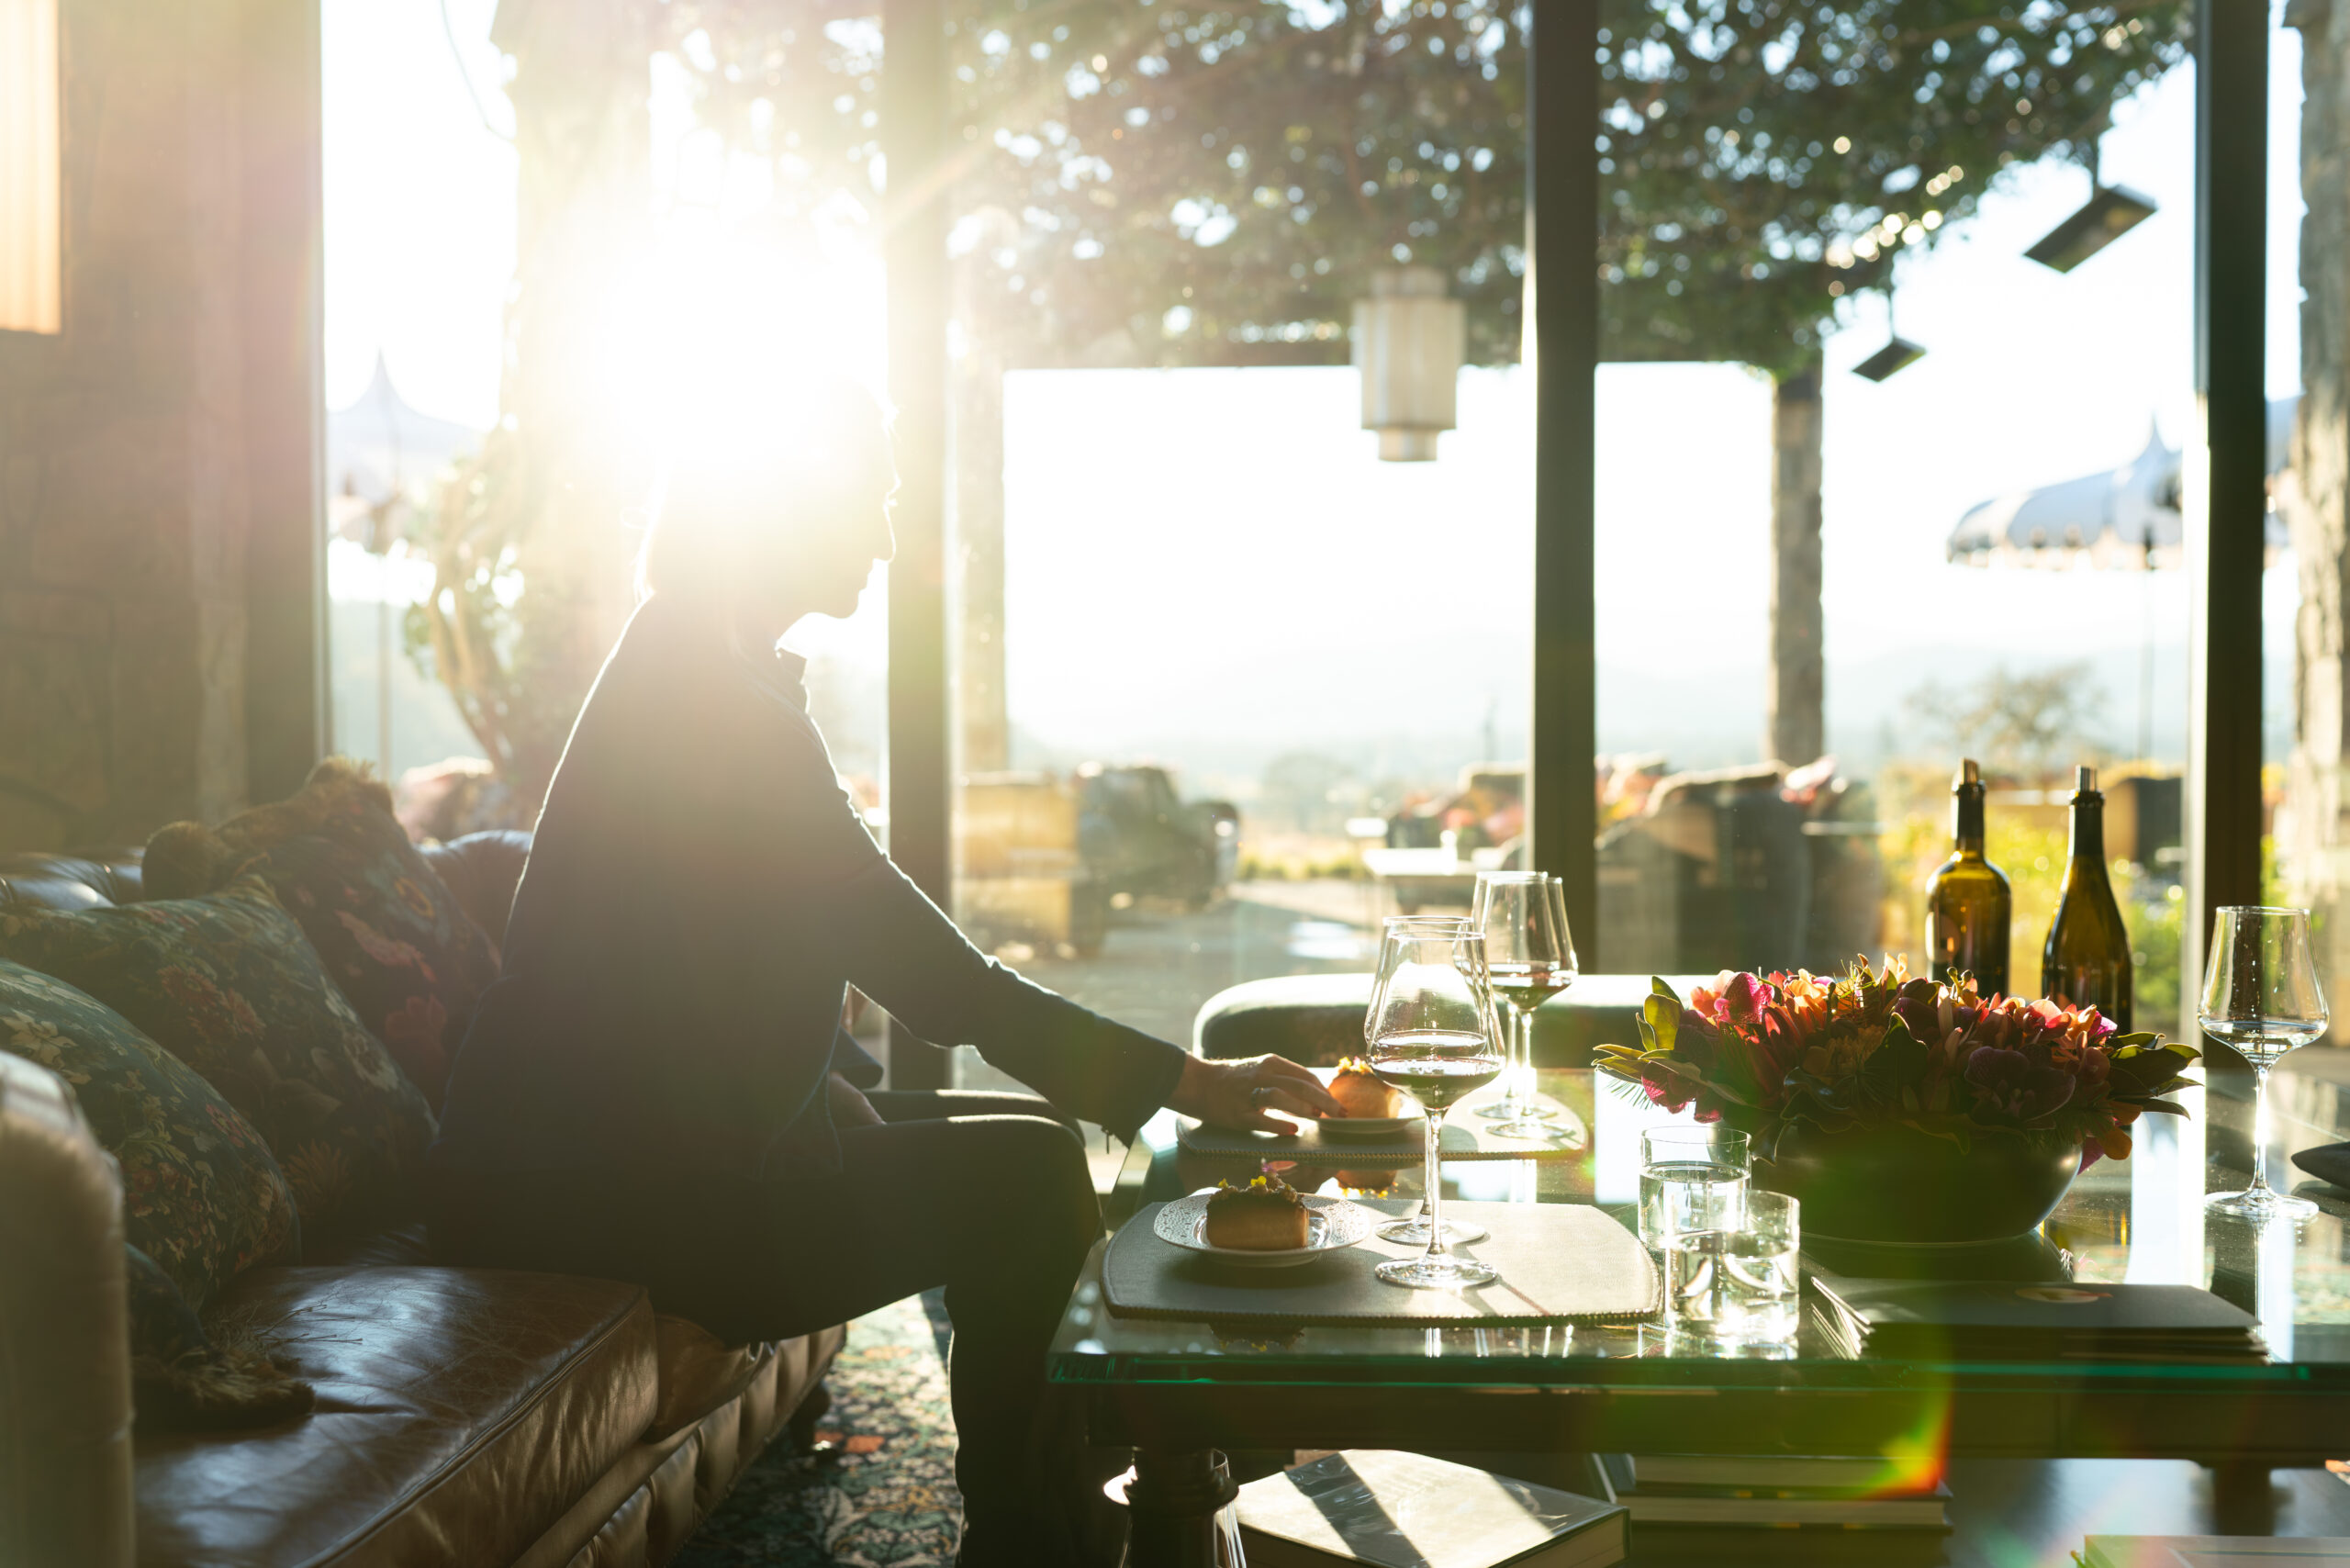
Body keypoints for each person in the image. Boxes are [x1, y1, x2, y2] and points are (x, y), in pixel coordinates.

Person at [424, 375, 1341, 1565]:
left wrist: (826, 1079)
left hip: (619, 1151)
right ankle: (1042, 1537)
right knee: (1021, 1178)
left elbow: (723, 955)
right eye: (874, 501)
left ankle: (1086, 1483)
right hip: (617, 1191)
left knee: (1011, 1148)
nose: (888, 537)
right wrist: (1190, 1084)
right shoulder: (718, 705)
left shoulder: (699, 665)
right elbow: (930, 971)